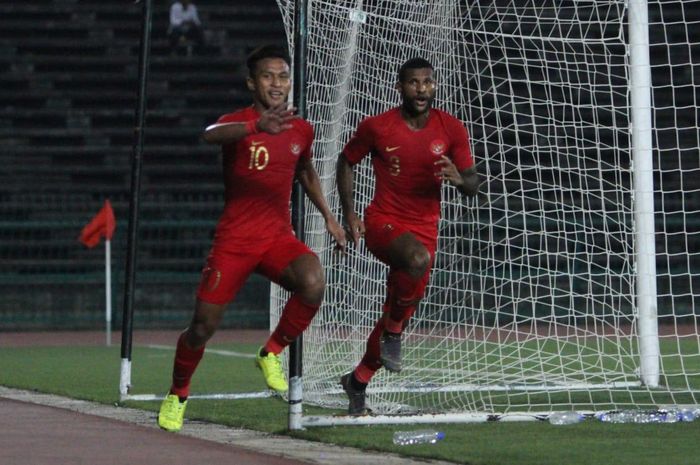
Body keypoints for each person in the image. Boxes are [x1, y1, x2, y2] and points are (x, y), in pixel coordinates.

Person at [157, 44, 346, 432]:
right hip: (234, 242)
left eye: (283, 76)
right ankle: (177, 394)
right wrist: (256, 127)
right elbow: (209, 134)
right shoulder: (238, 123)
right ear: (251, 83)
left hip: (277, 238)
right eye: (267, 76)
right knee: (202, 328)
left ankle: (271, 352)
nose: (276, 84)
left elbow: (306, 171)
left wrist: (329, 216)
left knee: (313, 281)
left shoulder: (301, 128)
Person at [335, 57, 480, 415]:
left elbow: (473, 184)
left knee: (397, 308)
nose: (421, 89)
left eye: (427, 82)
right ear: (400, 87)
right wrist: (350, 213)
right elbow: (346, 161)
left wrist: (460, 181)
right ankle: (395, 332)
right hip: (383, 223)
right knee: (414, 266)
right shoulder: (378, 127)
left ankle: (358, 380)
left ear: (434, 86)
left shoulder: (451, 129)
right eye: (413, 82)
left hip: (424, 231)